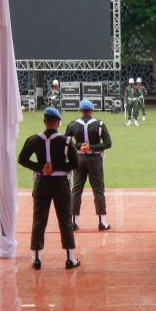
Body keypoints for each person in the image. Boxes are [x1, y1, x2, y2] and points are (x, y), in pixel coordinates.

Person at [18, 107, 81, 270]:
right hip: (60, 184)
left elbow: (22, 159)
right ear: (58, 122)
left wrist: (41, 168)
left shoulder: (34, 139)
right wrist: (59, 166)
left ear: (44, 122)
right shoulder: (66, 141)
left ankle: (37, 259)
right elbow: (75, 163)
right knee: (65, 221)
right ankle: (70, 258)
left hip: (41, 183)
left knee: (39, 220)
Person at [65, 99, 112, 231]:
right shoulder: (100, 124)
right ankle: (102, 222)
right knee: (98, 190)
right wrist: (91, 147)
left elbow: (65, 142)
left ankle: (74, 222)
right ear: (91, 110)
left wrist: (79, 145)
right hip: (95, 160)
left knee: (76, 190)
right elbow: (108, 144)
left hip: (78, 159)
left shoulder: (72, 125)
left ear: (80, 110)